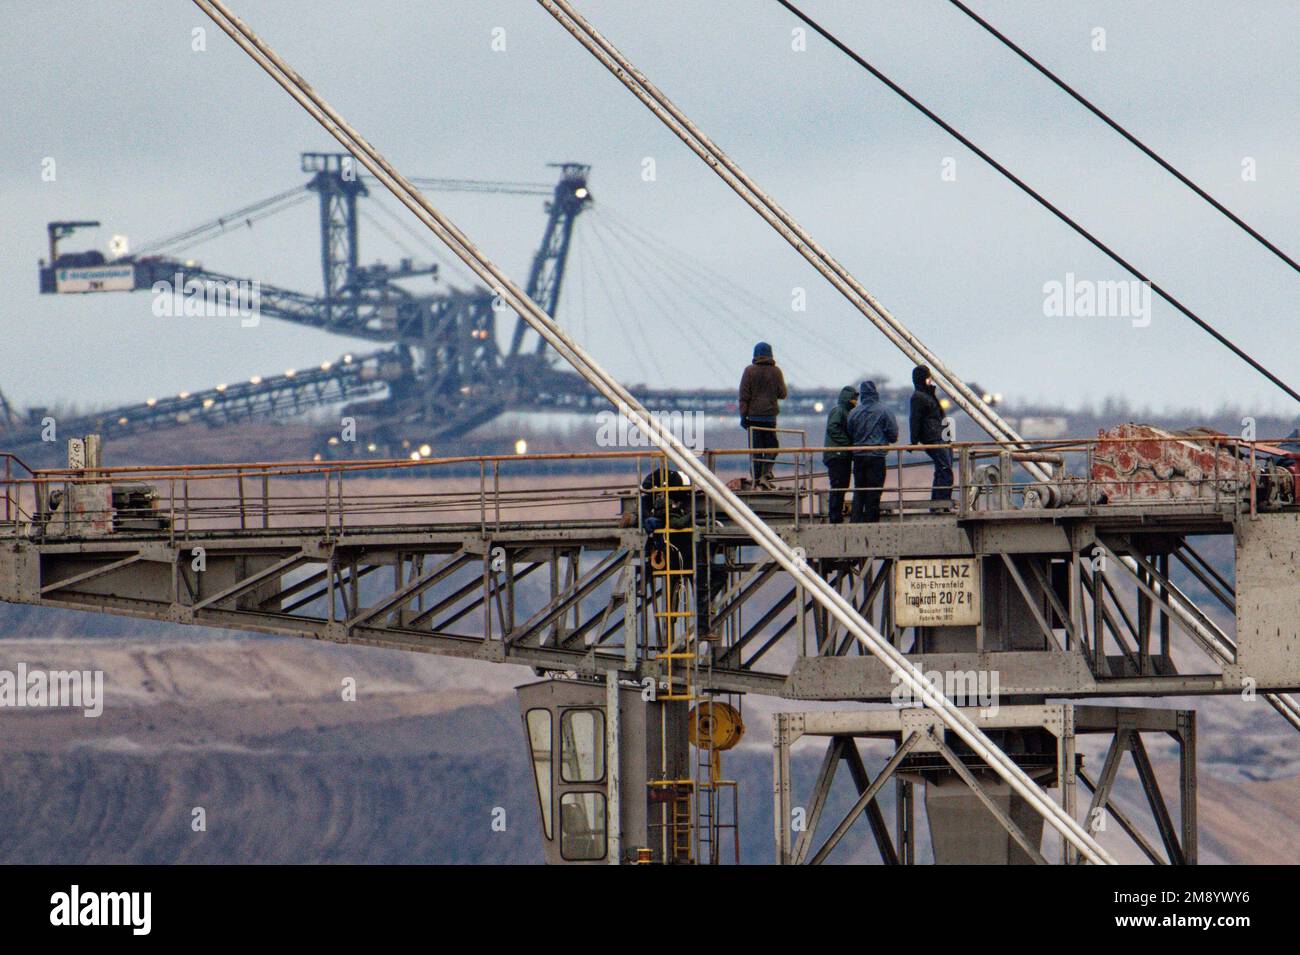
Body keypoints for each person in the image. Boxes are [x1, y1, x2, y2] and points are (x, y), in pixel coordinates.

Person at [846, 380, 898, 523]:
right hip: (876, 457)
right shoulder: (885, 411)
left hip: (858, 457)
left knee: (859, 492)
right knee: (874, 493)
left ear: (862, 395)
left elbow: (849, 432)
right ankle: (871, 522)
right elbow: (893, 435)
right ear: (876, 393)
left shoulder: (854, 412)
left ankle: (855, 521)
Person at [738, 341, 787, 487]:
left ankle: (756, 479)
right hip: (770, 418)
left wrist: (743, 416)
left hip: (753, 418)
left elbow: (743, 396)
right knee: (773, 447)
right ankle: (766, 474)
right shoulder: (776, 371)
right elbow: (782, 394)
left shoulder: (749, 371)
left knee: (755, 450)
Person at [909, 365, 953, 502]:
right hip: (933, 438)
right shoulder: (919, 397)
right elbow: (915, 419)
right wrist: (914, 441)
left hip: (939, 437)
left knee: (942, 470)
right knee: (945, 471)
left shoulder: (926, 395)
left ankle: (939, 503)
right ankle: (941, 503)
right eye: (928, 377)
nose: (930, 380)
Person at [822, 386, 857, 523]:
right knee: (838, 485)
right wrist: (848, 443)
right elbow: (833, 428)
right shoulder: (839, 410)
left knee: (841, 485)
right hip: (837, 454)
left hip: (841, 454)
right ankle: (835, 516)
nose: (856, 400)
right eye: (854, 397)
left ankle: (836, 514)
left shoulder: (846, 411)